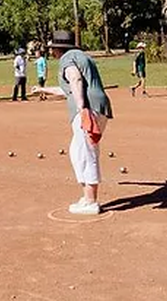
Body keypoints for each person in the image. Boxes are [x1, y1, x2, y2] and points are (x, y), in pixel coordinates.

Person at [33, 30, 113, 215]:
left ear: (58, 48)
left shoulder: (67, 59)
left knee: (86, 152)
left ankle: (91, 201)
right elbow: (69, 89)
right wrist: (43, 89)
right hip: (98, 106)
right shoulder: (81, 56)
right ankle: (86, 196)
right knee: (77, 150)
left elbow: (76, 79)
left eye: (52, 49)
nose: (51, 52)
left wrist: (81, 108)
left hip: (88, 108)